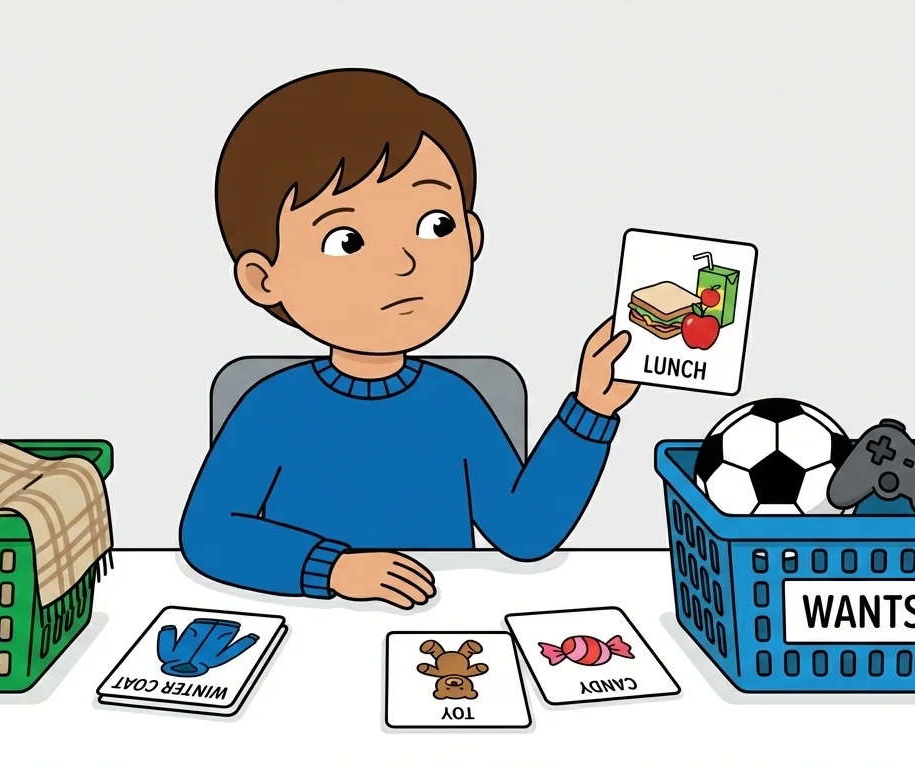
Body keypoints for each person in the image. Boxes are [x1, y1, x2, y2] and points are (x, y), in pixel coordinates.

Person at [180, 68, 640, 609]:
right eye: (346, 240)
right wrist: (333, 569)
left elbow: (524, 533)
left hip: (437, 637)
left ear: (471, 236)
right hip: (303, 625)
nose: (404, 263)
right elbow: (209, 534)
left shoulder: (454, 403)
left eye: (435, 226)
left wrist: (589, 411)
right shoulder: (273, 407)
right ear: (264, 279)